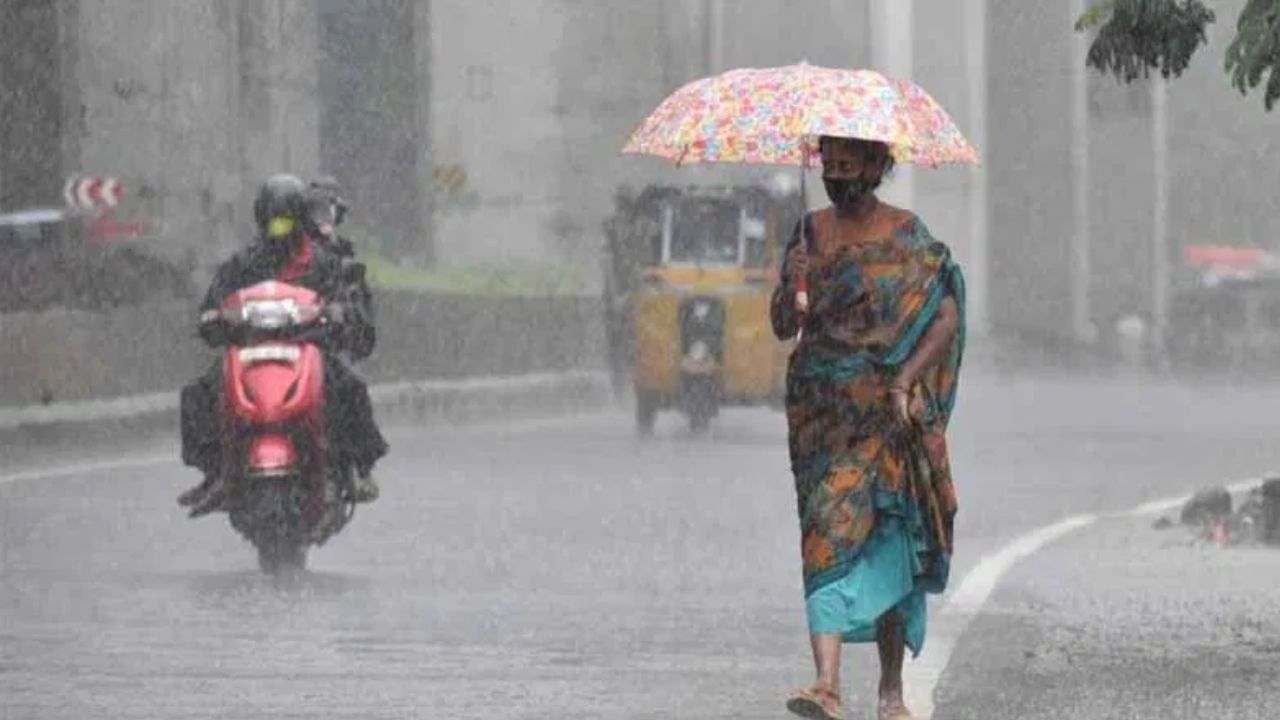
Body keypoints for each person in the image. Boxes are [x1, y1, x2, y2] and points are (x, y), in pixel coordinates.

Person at [771, 136, 964, 720]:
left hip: (887, 417)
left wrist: (906, 379)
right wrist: (791, 285)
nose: (837, 175)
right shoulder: (808, 234)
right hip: (823, 421)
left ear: (879, 167)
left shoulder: (907, 237)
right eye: (829, 166)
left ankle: (890, 691)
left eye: (849, 166)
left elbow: (945, 312)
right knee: (824, 540)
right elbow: (784, 325)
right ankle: (826, 684)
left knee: (888, 541)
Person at [177, 174, 386, 516]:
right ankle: (214, 471)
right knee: (199, 394)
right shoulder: (244, 263)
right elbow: (215, 300)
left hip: (308, 348)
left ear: (300, 219)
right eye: (273, 223)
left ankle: (355, 467)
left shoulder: (322, 262)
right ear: (261, 220)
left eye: (286, 222)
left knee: (348, 387)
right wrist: (212, 317)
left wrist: (340, 312)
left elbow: (346, 301)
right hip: (251, 351)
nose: (279, 231)